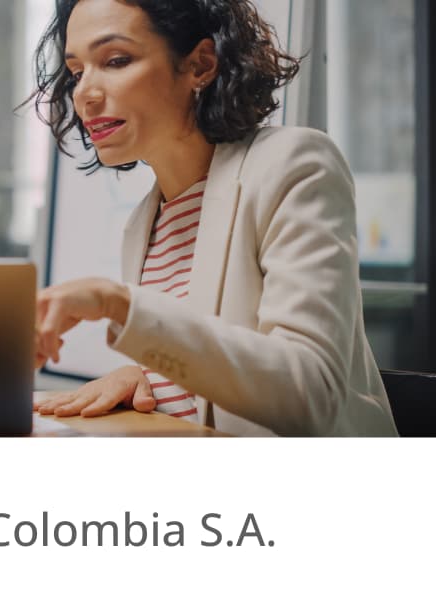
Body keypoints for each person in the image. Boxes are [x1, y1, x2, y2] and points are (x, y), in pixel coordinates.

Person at [29, 0, 396, 436]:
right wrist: (148, 380)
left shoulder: (295, 166)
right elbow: (203, 384)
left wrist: (120, 306)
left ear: (200, 64)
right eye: (77, 71)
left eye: (116, 61)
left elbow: (309, 394)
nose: (85, 94)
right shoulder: (144, 224)